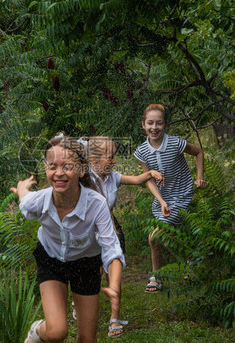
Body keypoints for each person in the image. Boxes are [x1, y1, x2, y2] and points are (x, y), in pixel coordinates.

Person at [11, 134, 125, 343]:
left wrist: (114, 286)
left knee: (87, 339)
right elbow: (24, 203)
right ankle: (36, 332)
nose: (59, 173)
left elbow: (111, 249)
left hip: (86, 263)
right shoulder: (40, 201)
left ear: (82, 170)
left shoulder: (96, 204)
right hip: (51, 260)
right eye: (52, 166)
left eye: (67, 166)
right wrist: (22, 189)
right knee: (57, 332)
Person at [86, 136, 164, 337]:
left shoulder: (113, 176)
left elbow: (137, 180)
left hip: (109, 228)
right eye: (109, 157)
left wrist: (151, 173)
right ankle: (81, 301)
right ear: (94, 158)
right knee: (94, 273)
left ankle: (114, 319)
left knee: (114, 271)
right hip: (86, 231)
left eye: (115, 157)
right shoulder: (84, 178)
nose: (113, 161)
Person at [133, 104, 206, 293]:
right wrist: (161, 200)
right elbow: (148, 179)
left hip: (181, 196)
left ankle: (156, 277)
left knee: (154, 237)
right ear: (143, 124)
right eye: (150, 123)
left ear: (165, 125)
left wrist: (199, 177)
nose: (154, 127)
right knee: (163, 238)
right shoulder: (142, 151)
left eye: (159, 123)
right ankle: (191, 261)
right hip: (161, 200)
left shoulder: (175, 143)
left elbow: (198, 152)